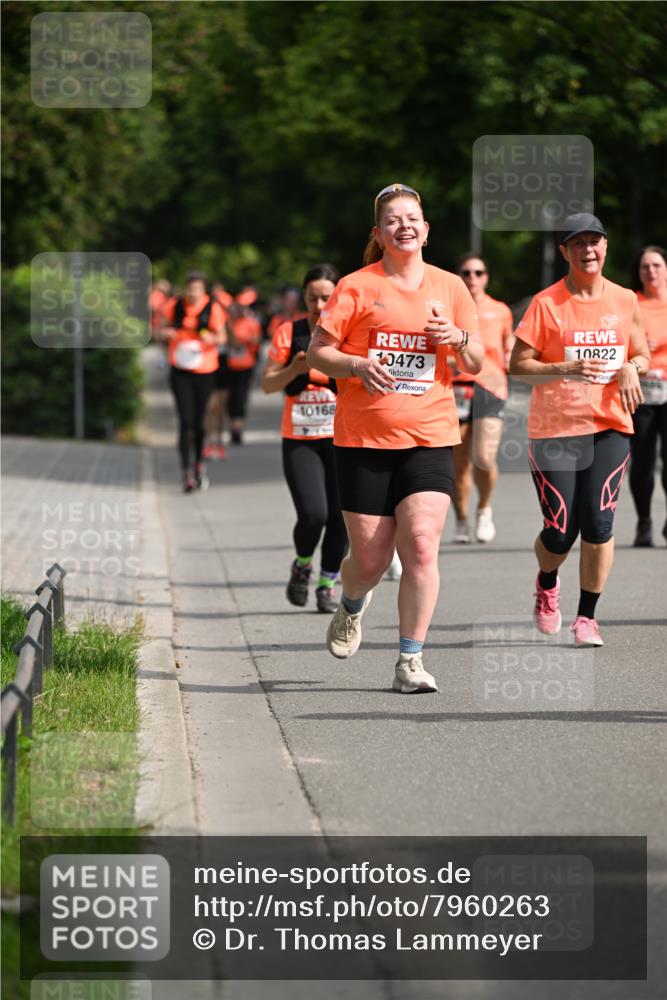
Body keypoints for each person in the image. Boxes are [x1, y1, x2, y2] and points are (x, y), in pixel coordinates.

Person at [307, 183, 483, 693]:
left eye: (412, 218)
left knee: (422, 546)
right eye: (393, 220)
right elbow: (319, 353)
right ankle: (352, 602)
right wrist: (358, 364)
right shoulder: (356, 287)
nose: (404, 226)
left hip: (429, 434)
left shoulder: (451, 288)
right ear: (379, 234)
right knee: (370, 559)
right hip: (363, 438)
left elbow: (476, 362)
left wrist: (459, 338)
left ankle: (410, 660)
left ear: (426, 231)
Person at [510, 213, 650, 647]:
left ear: (605, 247)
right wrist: (565, 367)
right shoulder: (547, 303)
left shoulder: (625, 299)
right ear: (564, 252)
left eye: (595, 241)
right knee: (559, 530)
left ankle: (586, 617)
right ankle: (547, 580)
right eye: (578, 243)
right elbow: (518, 367)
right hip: (555, 430)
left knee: (599, 523)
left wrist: (631, 367)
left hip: (609, 426)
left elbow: (642, 353)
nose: (588, 250)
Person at [261, 264, 348, 613]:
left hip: (342, 437)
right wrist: (294, 370)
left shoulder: (347, 331)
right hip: (300, 438)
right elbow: (267, 385)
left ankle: (327, 584)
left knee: (340, 517)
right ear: (304, 297)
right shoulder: (290, 332)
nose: (319, 303)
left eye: (327, 297)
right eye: (312, 297)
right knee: (313, 514)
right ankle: (302, 565)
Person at [451, 254, 514, 543]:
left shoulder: (500, 310)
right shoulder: (449, 308)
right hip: (456, 388)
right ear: (459, 276)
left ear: (486, 277)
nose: (472, 278)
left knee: (485, 457)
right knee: (459, 461)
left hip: (490, 386)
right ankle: (462, 518)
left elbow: (508, 345)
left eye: (478, 272)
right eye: (466, 272)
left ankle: (484, 509)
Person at [162, 272, 226, 492]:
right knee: (185, 421)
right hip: (180, 369)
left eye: (198, 290)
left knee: (199, 423)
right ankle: (186, 472)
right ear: (185, 289)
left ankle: (199, 464)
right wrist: (167, 332)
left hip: (204, 369)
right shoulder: (174, 305)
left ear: (204, 291)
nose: (193, 293)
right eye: (190, 289)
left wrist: (212, 338)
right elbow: (161, 329)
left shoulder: (213, 308)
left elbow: (223, 337)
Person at [628, 246, 667, 546]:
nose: (651, 271)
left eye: (656, 265)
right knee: (642, 462)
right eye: (645, 267)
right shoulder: (632, 304)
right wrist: (640, 345)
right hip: (641, 392)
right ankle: (644, 522)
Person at [226, 291, 262, 444]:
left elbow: (256, 340)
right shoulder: (228, 323)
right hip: (228, 366)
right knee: (229, 398)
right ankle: (232, 426)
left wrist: (244, 340)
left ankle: (237, 429)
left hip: (246, 365)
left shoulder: (251, 323)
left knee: (241, 397)